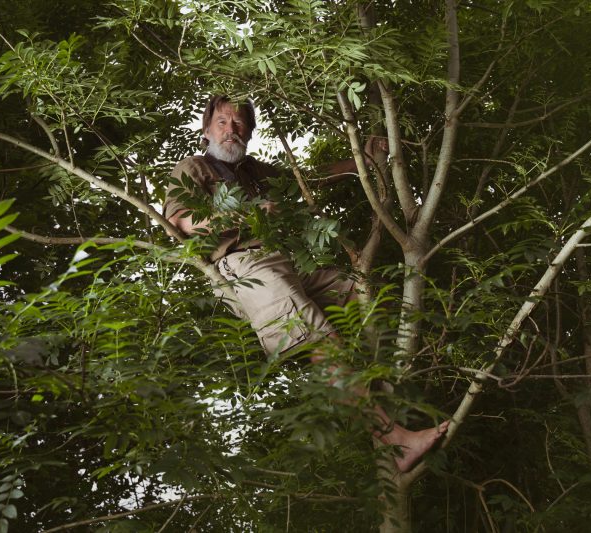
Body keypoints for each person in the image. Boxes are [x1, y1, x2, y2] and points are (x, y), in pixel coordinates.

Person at [165, 95, 449, 473]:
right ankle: (393, 439)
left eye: (238, 123)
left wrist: (363, 158)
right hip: (242, 268)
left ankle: (373, 394)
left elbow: (308, 180)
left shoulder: (256, 173)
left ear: (249, 131)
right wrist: (248, 214)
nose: (230, 130)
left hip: (285, 264)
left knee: (361, 289)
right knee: (320, 341)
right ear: (206, 130)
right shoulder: (193, 168)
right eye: (222, 122)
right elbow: (185, 225)